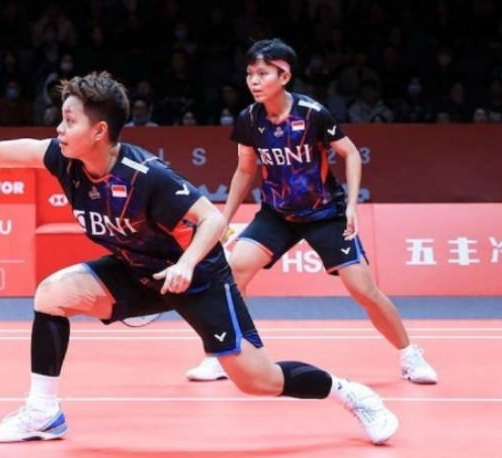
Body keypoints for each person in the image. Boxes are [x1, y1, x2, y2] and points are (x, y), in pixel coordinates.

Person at [0, 71, 398, 445]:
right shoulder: (63, 159)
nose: (58, 129)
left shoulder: (146, 176)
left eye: (69, 120)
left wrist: (186, 265)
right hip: (138, 271)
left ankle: (348, 393)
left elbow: (212, 220)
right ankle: (43, 413)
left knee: (257, 380)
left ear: (99, 131)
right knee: (52, 294)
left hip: (196, 276)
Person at [185, 39, 438, 385]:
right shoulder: (249, 119)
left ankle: (409, 355)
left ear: (284, 76)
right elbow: (245, 170)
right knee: (233, 273)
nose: (254, 81)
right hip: (277, 214)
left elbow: (350, 154)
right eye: (250, 74)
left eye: (263, 73)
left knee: (363, 290)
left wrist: (351, 205)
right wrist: (223, 220)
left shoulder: (312, 113)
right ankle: (227, 354)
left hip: (325, 213)